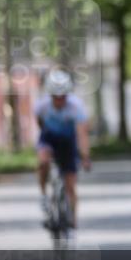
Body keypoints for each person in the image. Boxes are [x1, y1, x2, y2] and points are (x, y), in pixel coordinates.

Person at [35, 69, 91, 229]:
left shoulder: (76, 107)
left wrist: (85, 156)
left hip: (68, 141)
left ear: (68, 94)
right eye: (55, 97)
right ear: (50, 95)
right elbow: (39, 123)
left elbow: (82, 134)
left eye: (63, 97)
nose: (59, 100)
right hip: (49, 138)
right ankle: (44, 195)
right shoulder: (41, 106)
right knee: (43, 162)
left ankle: (73, 219)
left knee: (70, 185)